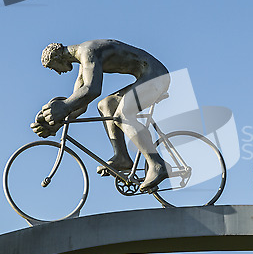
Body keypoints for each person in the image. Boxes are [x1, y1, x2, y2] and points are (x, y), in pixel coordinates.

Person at [30, 39, 171, 192]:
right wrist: (54, 123)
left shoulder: (87, 51)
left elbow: (92, 89)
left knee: (123, 115)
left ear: (57, 58)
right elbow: (80, 105)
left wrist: (63, 107)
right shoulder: (83, 62)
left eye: (53, 68)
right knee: (106, 105)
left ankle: (157, 164)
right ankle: (122, 157)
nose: (58, 72)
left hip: (156, 76)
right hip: (146, 76)